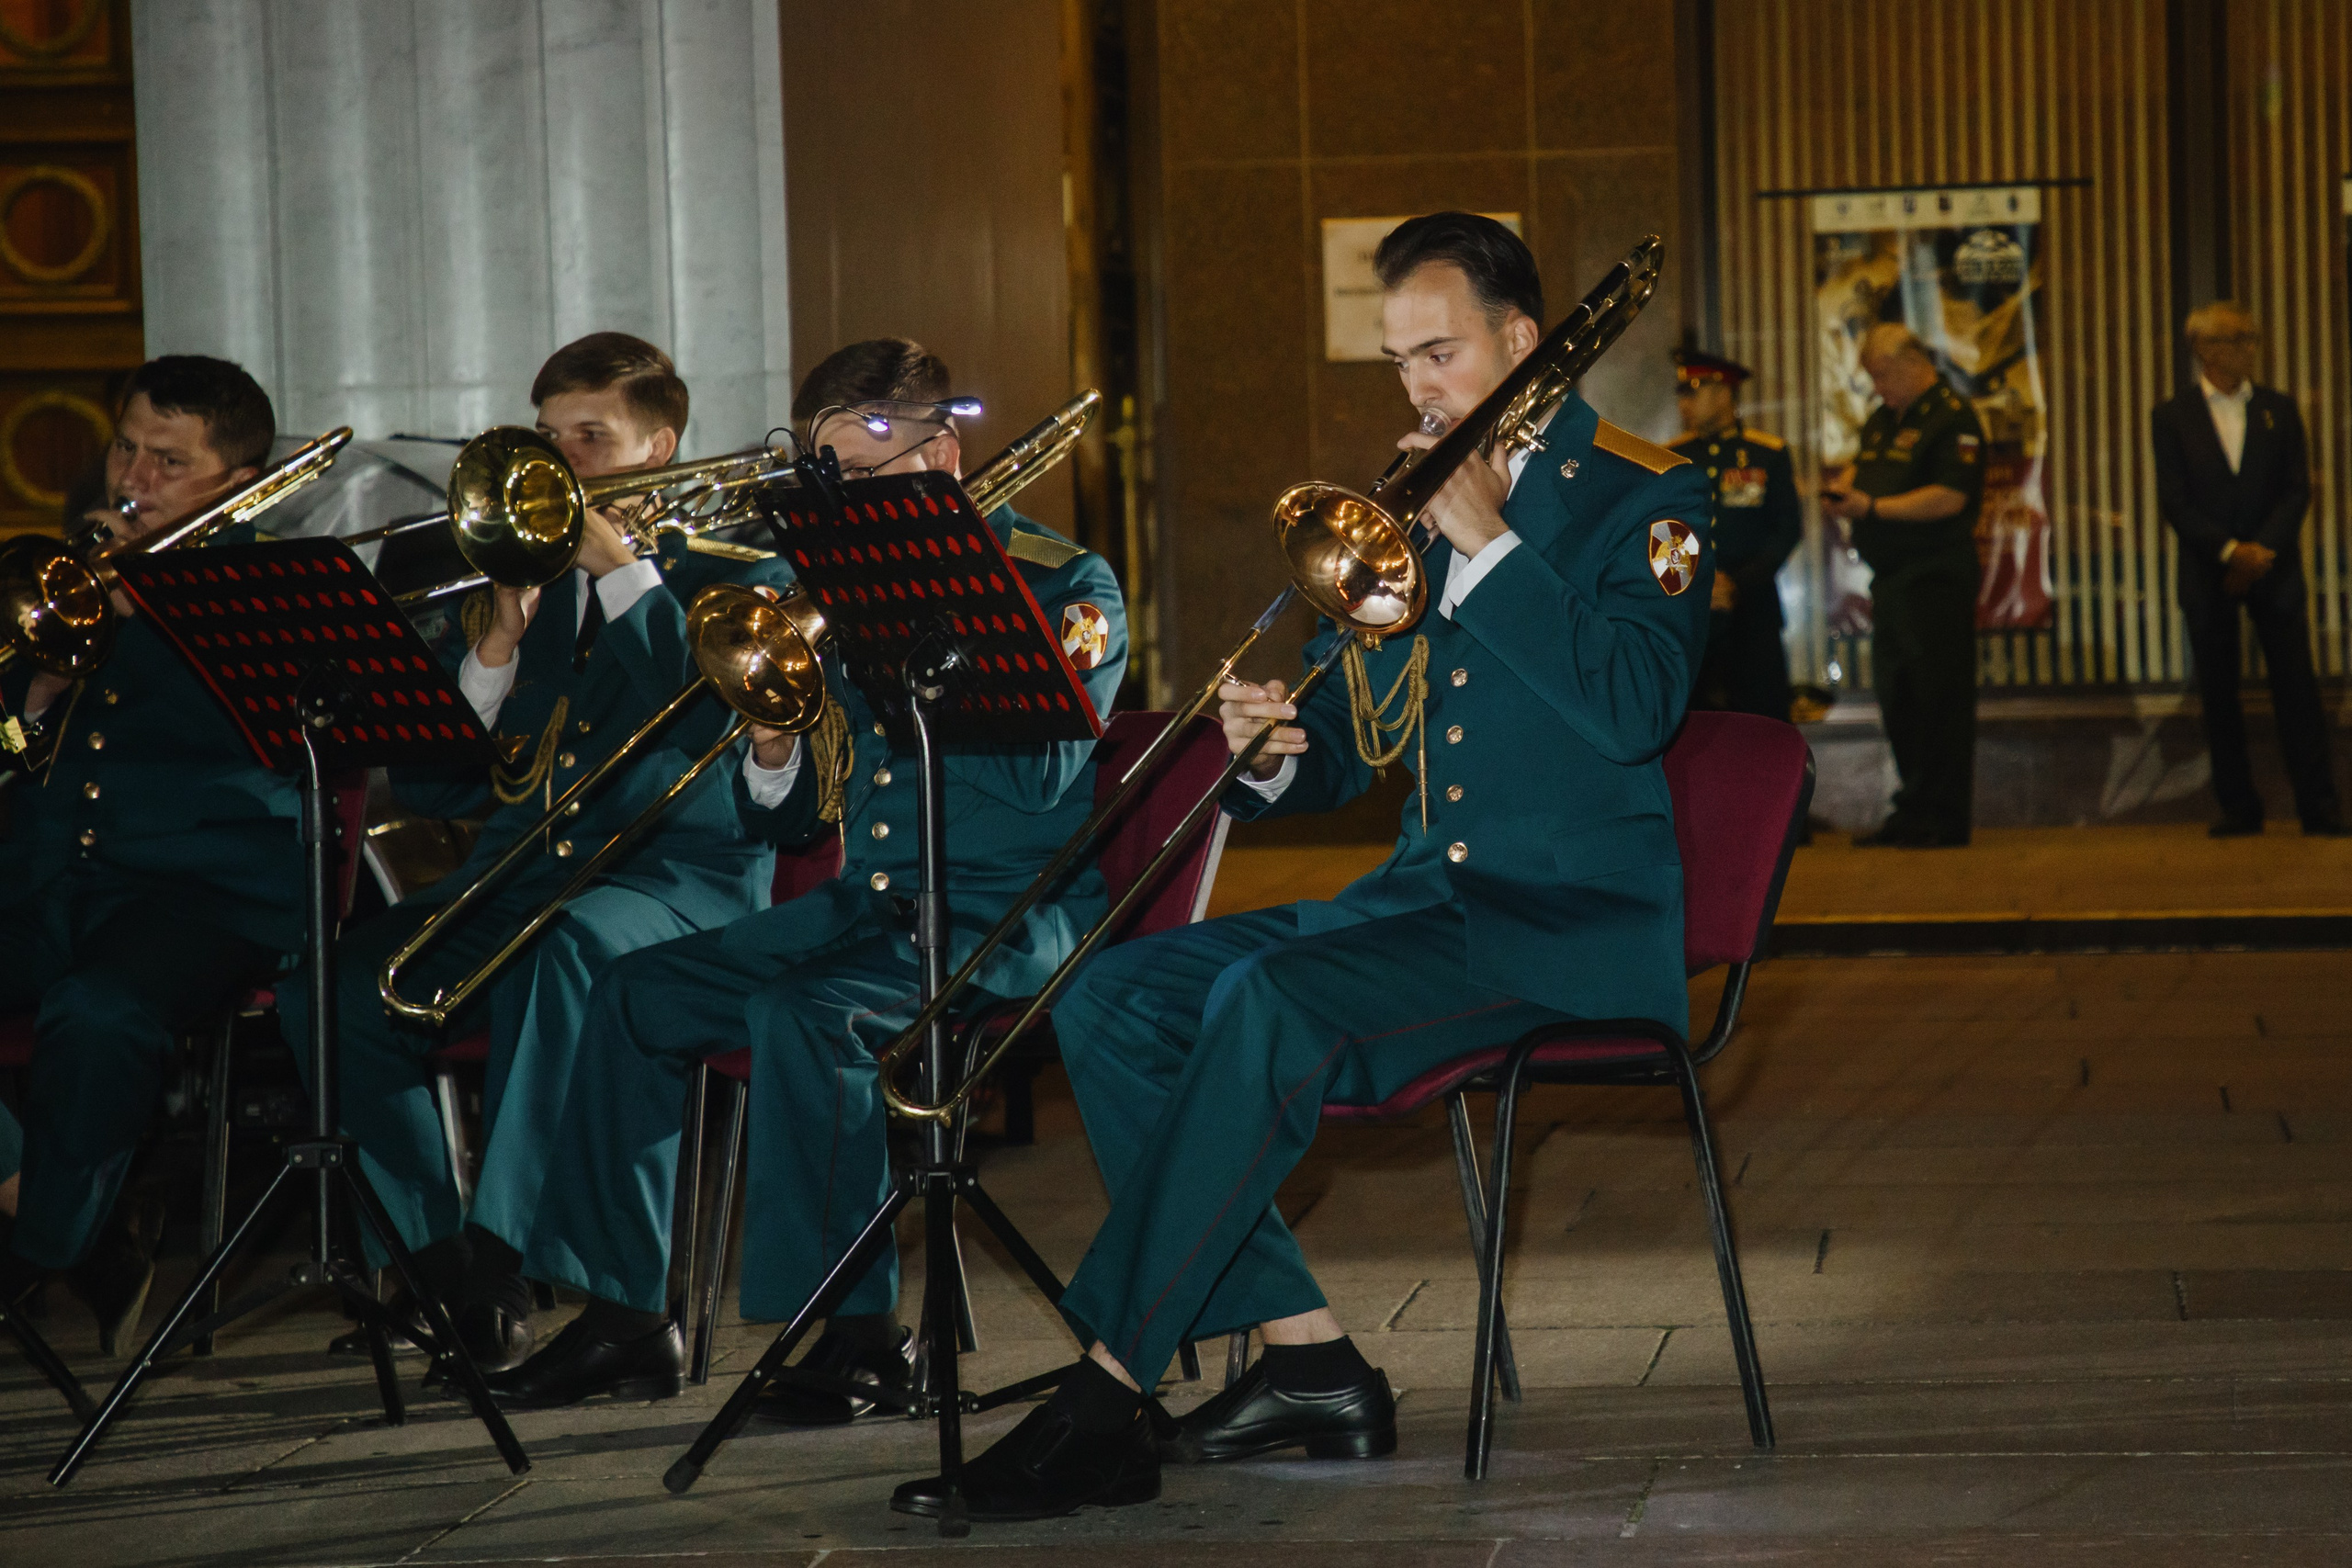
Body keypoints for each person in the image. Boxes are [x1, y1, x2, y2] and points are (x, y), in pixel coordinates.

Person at [896, 212, 1711, 1522]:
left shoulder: (1643, 494)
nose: (1419, 386)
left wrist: (1493, 545)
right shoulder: (1414, 508)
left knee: (1269, 1001)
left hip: (1569, 921)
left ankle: (1104, 1393)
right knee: (1112, 994)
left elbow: (1634, 710)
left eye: (1441, 352)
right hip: (1428, 901)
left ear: (1519, 340)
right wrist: (1277, 748)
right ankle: (1307, 1352)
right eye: (1399, 362)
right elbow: (1353, 740)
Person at [482, 339, 1127, 1415]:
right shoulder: (821, 581)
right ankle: (625, 1315)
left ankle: (855, 1329)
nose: (855, 501)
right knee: (638, 992)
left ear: (946, 453)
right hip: (866, 902)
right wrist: (773, 748)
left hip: (1005, 913)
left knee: (807, 1015)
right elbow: (781, 817)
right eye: (834, 479)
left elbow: (1044, 770)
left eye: (875, 473)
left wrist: (939, 612)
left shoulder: (1065, 579)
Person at [277, 333, 792, 1371]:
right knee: (326, 992)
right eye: (547, 437)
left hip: (675, 881)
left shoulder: (736, 581)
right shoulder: (525, 587)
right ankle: (438, 1270)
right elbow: (437, 790)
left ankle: (500, 1258)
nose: (562, 463)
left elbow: (708, 738)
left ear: (661, 446)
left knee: (561, 955)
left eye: (591, 438)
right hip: (524, 877)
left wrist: (624, 580)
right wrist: (493, 653)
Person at [0, 356, 300, 1351]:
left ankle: (34, 1250)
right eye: (127, 446)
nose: (134, 476)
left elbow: (269, 743)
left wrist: (154, 619)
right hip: (55, 871)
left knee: (100, 1011)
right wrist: (42, 683)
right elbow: (16, 737)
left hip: (198, 892)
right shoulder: (74, 573)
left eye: (169, 461)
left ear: (235, 476)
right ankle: (69, 1229)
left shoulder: (269, 589)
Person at [2152, 301, 2343, 837]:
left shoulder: (2278, 410)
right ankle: (2238, 805)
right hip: (2208, 570)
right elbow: (2175, 501)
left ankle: (2319, 805)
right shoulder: (2171, 416)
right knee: (2218, 690)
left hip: (2274, 568)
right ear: (2204, 348)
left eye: (2251, 338)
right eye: (2237, 339)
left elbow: (2297, 489)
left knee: (2296, 688)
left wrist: (2259, 552)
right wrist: (2230, 552)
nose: (2249, 348)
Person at [1820, 322, 1984, 848]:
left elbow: (1950, 497)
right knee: (1900, 697)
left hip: (1936, 577)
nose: (1877, 386)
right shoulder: (1881, 423)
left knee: (1940, 699)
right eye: (1870, 376)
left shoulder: (1952, 419)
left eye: (1883, 374)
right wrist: (1846, 489)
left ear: (1916, 361)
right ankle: (1912, 809)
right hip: (1891, 582)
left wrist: (1873, 507)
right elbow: (1869, 475)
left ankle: (1943, 816)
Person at [1670, 346, 1801, 721]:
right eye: (1681, 394)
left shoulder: (1768, 454)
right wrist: (1694, 583)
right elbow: (1660, 533)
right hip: (1690, 610)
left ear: (1725, 392)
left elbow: (1787, 530)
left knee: (1763, 722)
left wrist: (1735, 585)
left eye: (1693, 392)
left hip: (1752, 608)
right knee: (1691, 724)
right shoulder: (1671, 459)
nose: (1685, 403)